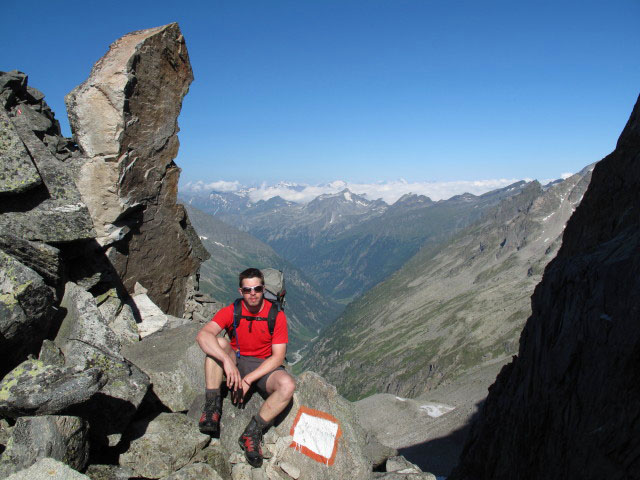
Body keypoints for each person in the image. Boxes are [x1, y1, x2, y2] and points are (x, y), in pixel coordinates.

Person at [196, 268, 296, 467]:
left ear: (263, 289)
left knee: (287, 385)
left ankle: (252, 433)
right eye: (248, 289)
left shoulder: (276, 315)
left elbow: (278, 357)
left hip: (264, 365)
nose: (253, 293)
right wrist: (226, 362)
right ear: (240, 291)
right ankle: (212, 408)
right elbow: (203, 335)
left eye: (257, 289)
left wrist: (249, 379)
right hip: (238, 359)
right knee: (219, 345)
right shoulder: (232, 310)